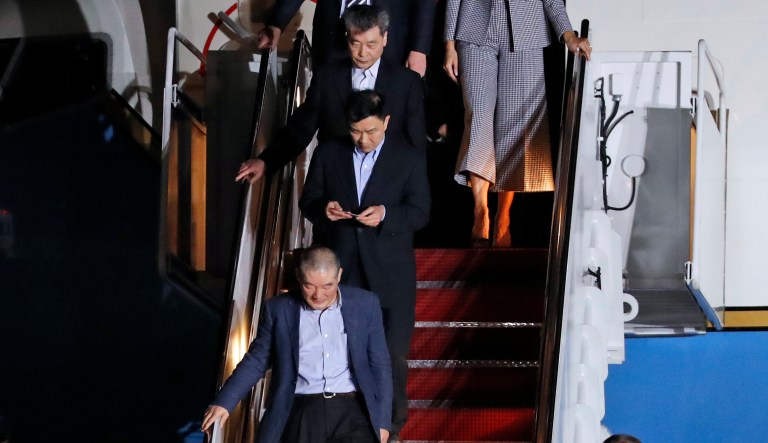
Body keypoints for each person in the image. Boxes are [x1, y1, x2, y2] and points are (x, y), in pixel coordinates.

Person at [299, 90, 430, 439]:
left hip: (391, 273)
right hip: (344, 269)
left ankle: (392, 427)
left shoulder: (410, 158)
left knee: (392, 354)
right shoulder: (329, 152)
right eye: (357, 131)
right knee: (346, 350)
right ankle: (354, 424)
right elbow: (308, 199)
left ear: (387, 122)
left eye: (371, 131)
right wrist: (323, 210)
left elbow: (420, 211)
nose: (364, 139)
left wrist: (386, 214)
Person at [201, 246, 392, 443]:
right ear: (298, 277)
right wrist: (225, 402)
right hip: (303, 409)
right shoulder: (278, 309)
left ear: (339, 276)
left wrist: (383, 421)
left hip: (353, 409)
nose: (318, 295)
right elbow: (257, 361)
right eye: (309, 285)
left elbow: (380, 363)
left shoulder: (365, 304)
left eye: (327, 286)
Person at [443, 0, 591, 247]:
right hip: (473, 29)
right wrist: (449, 44)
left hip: (527, 31)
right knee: (478, 115)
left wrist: (567, 35)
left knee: (514, 125)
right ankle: (480, 211)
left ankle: (504, 217)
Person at [236, 5, 425, 184]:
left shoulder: (407, 83)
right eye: (355, 43)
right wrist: (266, 161)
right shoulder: (327, 77)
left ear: (385, 38)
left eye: (371, 44)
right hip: (338, 186)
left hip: (389, 188)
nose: (362, 53)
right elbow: (302, 127)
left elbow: (414, 144)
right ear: (347, 37)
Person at [256, 0, 435, 76]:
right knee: (331, 114)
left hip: (388, 39)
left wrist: (418, 49)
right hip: (333, 37)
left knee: (383, 117)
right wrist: (276, 24)